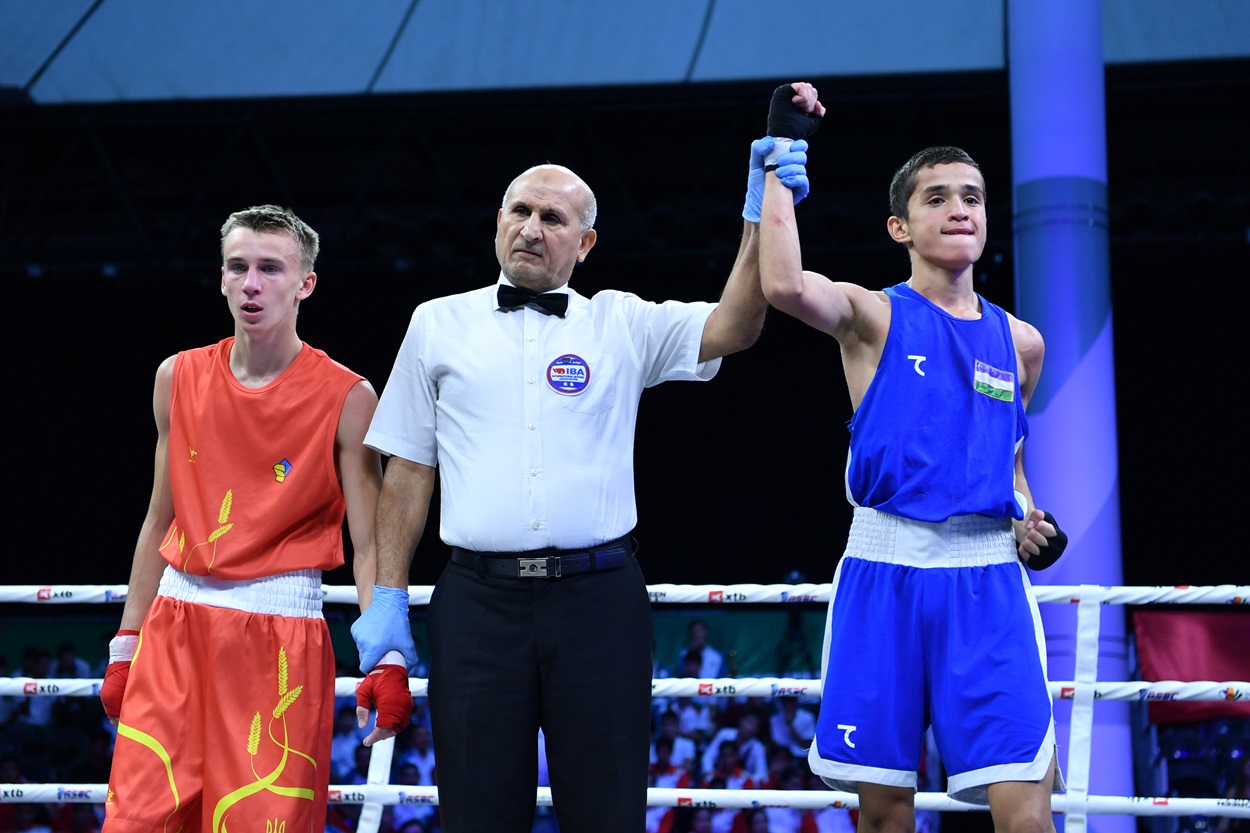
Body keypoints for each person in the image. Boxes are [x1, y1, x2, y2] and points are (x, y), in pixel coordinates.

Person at [350, 85, 821, 833]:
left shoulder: (621, 322)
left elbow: (736, 324)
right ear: (497, 222)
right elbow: (408, 470)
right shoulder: (435, 323)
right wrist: (387, 599)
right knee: (476, 815)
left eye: (553, 217)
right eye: (519, 212)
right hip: (476, 603)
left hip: (599, 601)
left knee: (606, 814)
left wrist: (759, 205)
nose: (531, 228)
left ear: (586, 241)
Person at [757, 83, 1070, 833]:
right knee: (886, 813)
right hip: (885, 570)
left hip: (989, 578)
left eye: (973, 196)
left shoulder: (1021, 343)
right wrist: (777, 159)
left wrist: (1035, 524)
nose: (960, 207)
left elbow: (1014, 468)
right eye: (937, 198)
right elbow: (783, 284)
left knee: (1028, 803)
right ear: (899, 225)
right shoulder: (872, 314)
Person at [98, 205, 385, 832]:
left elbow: (370, 543)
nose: (252, 283)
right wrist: (127, 641)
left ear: (304, 283)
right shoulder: (177, 377)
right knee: (139, 822)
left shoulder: (347, 397)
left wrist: (384, 654)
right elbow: (158, 520)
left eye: (270, 268)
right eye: (238, 267)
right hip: (174, 630)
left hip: (277, 639)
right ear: (222, 278)